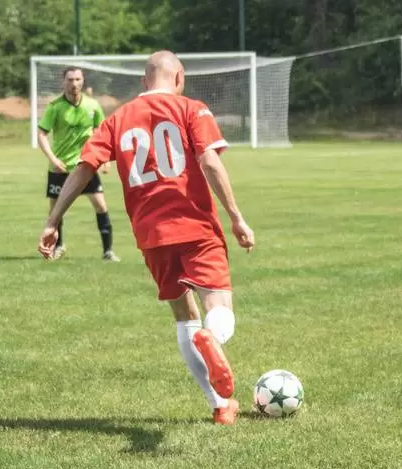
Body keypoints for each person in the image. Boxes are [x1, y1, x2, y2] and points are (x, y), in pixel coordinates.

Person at [38, 50, 255, 425]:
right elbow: (209, 160)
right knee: (218, 306)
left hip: (151, 234)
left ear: (143, 81)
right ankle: (213, 337)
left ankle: (220, 405)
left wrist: (53, 220)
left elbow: (84, 168)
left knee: (184, 317)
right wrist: (236, 216)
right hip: (195, 225)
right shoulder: (191, 109)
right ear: (180, 77)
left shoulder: (117, 118)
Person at [38, 67, 120, 261]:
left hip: (86, 165)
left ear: (83, 81)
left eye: (77, 79)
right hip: (60, 168)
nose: (74, 84)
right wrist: (53, 159)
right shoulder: (55, 107)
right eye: (70, 80)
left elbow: (102, 131)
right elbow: (41, 134)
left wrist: (105, 159)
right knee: (56, 211)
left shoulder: (92, 106)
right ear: (63, 82)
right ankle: (58, 247)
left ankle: (108, 251)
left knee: (101, 206)